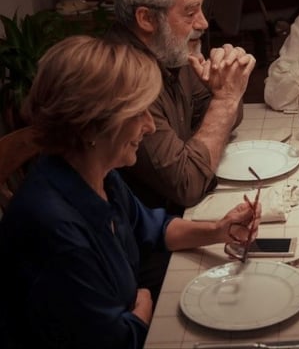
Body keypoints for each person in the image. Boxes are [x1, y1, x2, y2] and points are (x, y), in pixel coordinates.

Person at [0, 36, 261, 349]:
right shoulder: (57, 230)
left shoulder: (96, 172)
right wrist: (143, 306)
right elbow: (120, 342)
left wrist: (218, 230)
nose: (150, 127)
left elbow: (152, 228)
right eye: (138, 113)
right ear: (91, 126)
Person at [107, 0, 256, 213]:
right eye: (190, 12)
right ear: (146, 18)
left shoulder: (168, 48)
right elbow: (187, 185)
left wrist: (225, 89)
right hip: (149, 228)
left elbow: (229, 117)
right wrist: (224, 100)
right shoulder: (124, 78)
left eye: (201, 8)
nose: (204, 23)